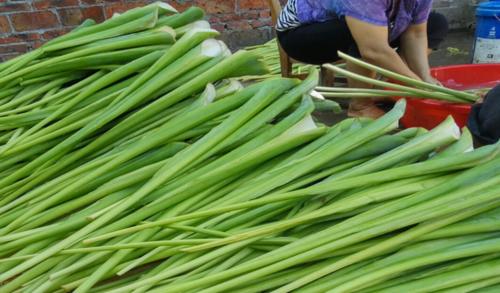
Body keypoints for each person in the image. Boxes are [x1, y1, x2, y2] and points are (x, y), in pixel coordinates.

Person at [276, 0, 449, 118]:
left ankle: (386, 88)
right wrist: (417, 83)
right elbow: (373, 49)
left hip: (362, 24)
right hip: (299, 35)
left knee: (436, 23)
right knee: (364, 36)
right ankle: (360, 106)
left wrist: (425, 78)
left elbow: (416, 34)